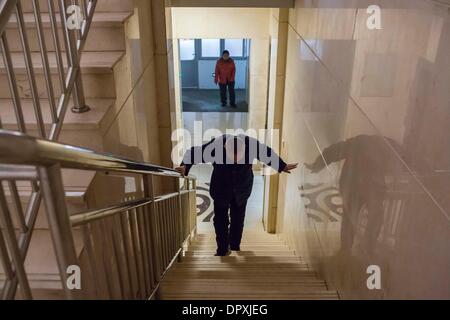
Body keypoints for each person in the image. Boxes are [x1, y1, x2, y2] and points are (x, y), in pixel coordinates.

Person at [176, 134, 298, 256]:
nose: (235, 161)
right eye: (232, 158)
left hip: (242, 188)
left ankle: (234, 246)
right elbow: (193, 153)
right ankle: (222, 250)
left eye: (238, 158)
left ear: (245, 148)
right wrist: (184, 167)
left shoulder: (251, 145)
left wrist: (282, 166)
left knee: (238, 220)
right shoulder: (215, 146)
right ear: (224, 147)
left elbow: (267, 153)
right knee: (220, 220)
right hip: (221, 188)